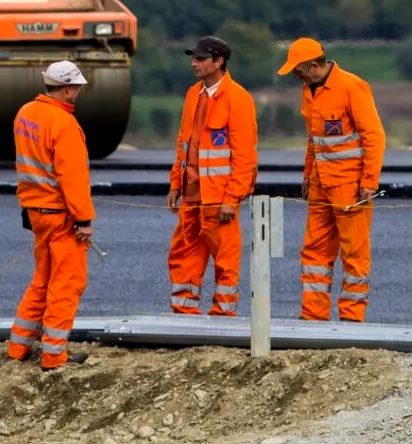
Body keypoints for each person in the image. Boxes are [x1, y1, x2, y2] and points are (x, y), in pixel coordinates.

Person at [278, 38, 386, 322]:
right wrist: (307, 173)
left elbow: (374, 136)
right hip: (320, 186)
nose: (295, 75)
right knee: (314, 252)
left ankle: (352, 318)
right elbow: (314, 139)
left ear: (315, 65)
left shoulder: (352, 86)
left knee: (354, 253)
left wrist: (369, 182)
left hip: (350, 188)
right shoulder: (308, 91)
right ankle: (313, 316)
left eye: (298, 69)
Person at [6, 60, 96, 371]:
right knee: (66, 283)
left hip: (35, 211)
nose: (78, 93)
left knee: (42, 279)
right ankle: (54, 355)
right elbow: (72, 178)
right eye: (77, 88)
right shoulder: (63, 124)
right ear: (69, 88)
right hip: (61, 216)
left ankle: (18, 347)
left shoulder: (25, 113)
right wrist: (84, 219)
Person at [165, 36, 258, 317]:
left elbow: (245, 157)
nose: (194, 63)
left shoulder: (238, 98)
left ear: (219, 62)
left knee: (226, 259)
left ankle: (223, 314)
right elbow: (184, 144)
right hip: (192, 194)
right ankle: (184, 312)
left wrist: (232, 198)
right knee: (183, 253)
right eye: (193, 58)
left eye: (200, 59)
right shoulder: (194, 94)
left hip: (219, 199)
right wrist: (174, 184)